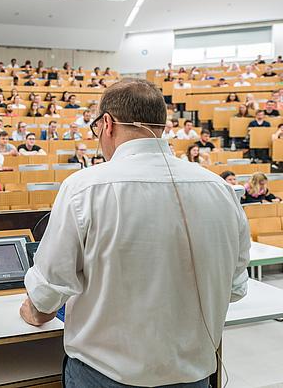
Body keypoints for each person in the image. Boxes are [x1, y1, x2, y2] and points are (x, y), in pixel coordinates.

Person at [20, 79, 250, 387]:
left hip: (105, 377)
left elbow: (49, 289)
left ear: (107, 123)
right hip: (194, 376)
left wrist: (34, 311)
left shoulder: (85, 187)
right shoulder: (221, 189)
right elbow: (235, 289)